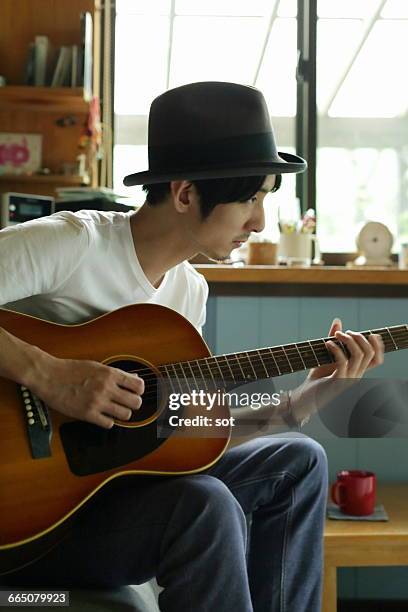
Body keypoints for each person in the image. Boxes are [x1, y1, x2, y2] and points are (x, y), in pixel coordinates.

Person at [0, 82, 384, 611]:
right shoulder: (72, 243)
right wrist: (47, 374)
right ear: (185, 194)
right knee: (204, 506)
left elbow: (185, 435)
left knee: (301, 459)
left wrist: (307, 399)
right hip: (30, 519)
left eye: (265, 198)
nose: (260, 222)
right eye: (249, 198)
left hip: (116, 499)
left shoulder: (189, 292)